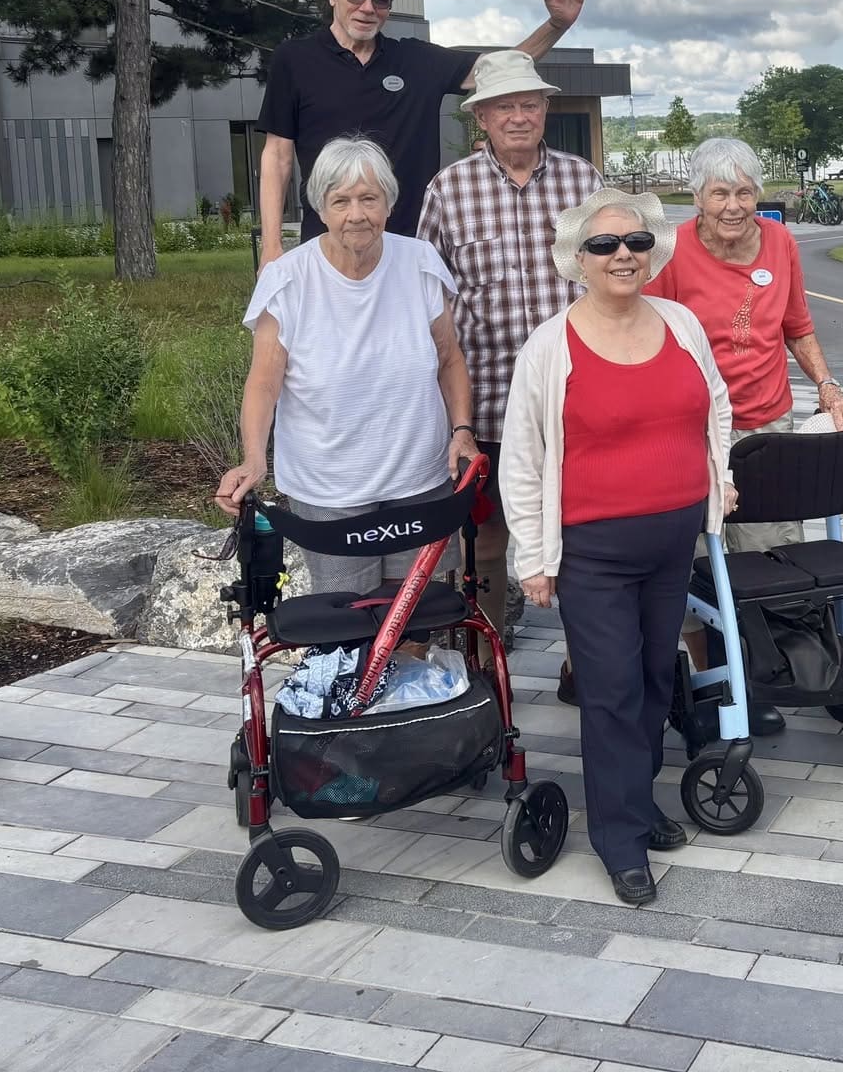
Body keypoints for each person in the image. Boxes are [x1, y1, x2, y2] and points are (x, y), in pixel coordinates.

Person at [501, 190, 735, 907]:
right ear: (578, 259)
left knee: (655, 684)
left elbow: (716, 405)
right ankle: (618, 839)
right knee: (610, 692)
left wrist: (716, 479)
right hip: (593, 549)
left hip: (671, 540)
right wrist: (533, 558)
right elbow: (522, 456)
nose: (622, 255)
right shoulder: (550, 346)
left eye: (634, 242)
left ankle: (635, 803)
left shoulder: (681, 322)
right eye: (604, 246)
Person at [646, 137, 843, 734]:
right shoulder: (672, 252)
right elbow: (652, 338)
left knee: (769, 553)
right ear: (696, 198)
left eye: (744, 191)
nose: (734, 206)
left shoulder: (782, 242)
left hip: (765, 423)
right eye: (720, 193)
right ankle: (704, 684)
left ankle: (764, 673)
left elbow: (797, 325)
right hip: (690, 428)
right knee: (691, 559)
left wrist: (828, 386)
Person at [215, 138, 480, 595]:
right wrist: (254, 458)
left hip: (419, 478)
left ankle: (412, 669)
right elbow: (263, 383)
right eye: (341, 201)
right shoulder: (288, 280)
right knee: (348, 623)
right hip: (329, 489)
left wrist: (461, 429)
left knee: (416, 618)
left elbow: (449, 358)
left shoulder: (418, 263)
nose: (356, 214)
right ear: (321, 206)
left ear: (389, 204)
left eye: (369, 199)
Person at [415, 51, 603, 637]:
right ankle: (486, 666)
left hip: (575, 395)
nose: (517, 117)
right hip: (488, 399)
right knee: (486, 538)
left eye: (529, 104)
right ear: (482, 118)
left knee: (582, 529)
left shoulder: (584, 181)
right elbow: (429, 298)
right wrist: (451, 416)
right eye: (504, 107)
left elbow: (618, 275)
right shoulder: (449, 189)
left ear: (545, 110)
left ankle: (583, 664)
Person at [257, 0, 594, 259]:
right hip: (329, 248)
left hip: (410, 248)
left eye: (380, 0)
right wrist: (271, 246)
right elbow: (277, 156)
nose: (367, 8)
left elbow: (503, 70)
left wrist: (556, 26)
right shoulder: (295, 59)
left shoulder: (415, 60)